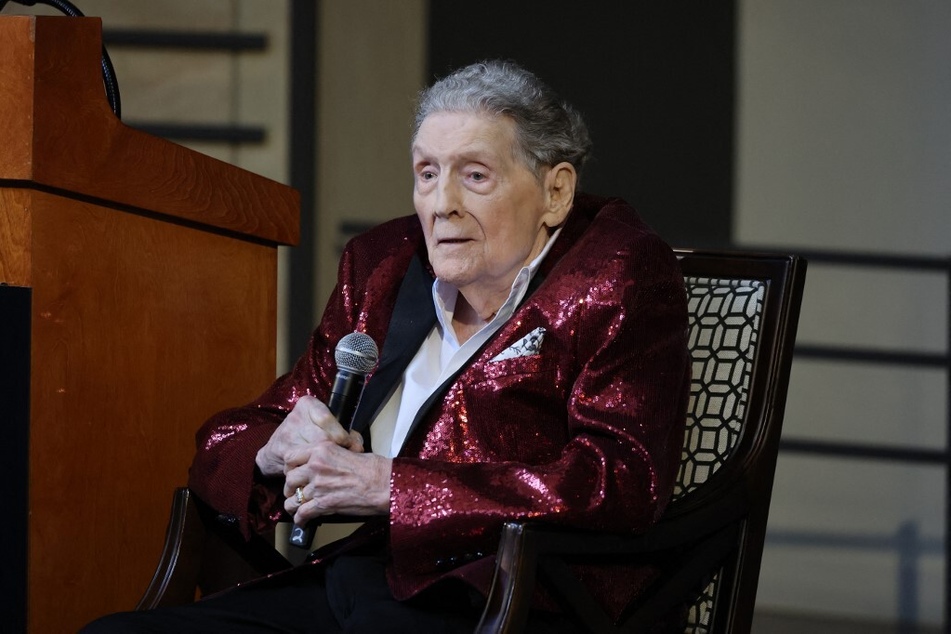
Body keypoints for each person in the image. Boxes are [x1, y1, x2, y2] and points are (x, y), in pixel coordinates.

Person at [84, 59, 690, 633]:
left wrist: (391, 486)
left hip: (513, 601)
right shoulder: (383, 268)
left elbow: (620, 479)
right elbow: (226, 442)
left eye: (475, 175)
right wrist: (274, 449)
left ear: (555, 192)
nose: (442, 202)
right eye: (427, 173)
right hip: (363, 583)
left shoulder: (616, 275)